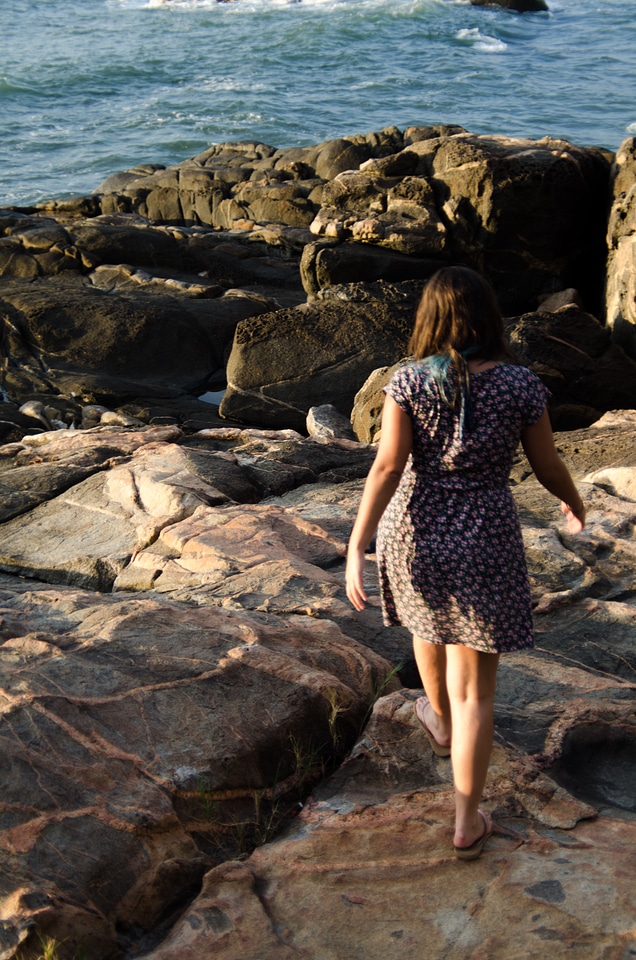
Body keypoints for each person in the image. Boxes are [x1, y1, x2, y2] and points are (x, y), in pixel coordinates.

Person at [345, 266, 585, 860]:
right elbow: (547, 463)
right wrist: (572, 499)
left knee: (427, 626)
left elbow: (387, 467)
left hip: (415, 529)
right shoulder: (520, 385)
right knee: (477, 690)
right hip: (483, 532)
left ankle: (441, 724)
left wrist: (358, 542)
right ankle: (466, 820)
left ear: (429, 319)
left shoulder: (406, 382)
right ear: (490, 316)